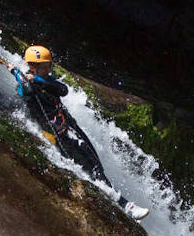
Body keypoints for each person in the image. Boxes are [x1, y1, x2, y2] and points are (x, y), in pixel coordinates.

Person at [8, 45, 150, 220]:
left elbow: (62, 90)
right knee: (89, 168)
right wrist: (19, 75)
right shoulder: (24, 83)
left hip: (70, 127)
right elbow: (26, 91)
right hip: (57, 133)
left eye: (48, 65)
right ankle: (125, 205)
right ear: (32, 66)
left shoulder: (45, 80)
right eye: (43, 66)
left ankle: (119, 205)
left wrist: (35, 79)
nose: (47, 69)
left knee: (95, 164)